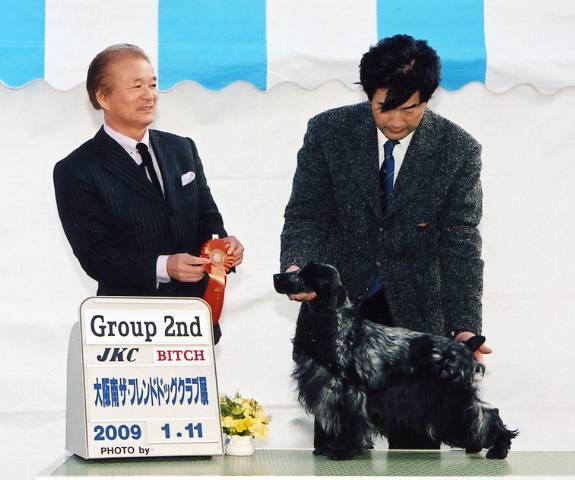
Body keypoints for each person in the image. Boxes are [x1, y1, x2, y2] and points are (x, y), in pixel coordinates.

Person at [280, 34, 490, 449]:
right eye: (383, 107)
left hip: (416, 319)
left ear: (428, 98)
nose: (395, 121)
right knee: (338, 448)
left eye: (409, 108)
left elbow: (461, 243)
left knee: (415, 455)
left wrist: (465, 327)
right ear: (367, 95)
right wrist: (297, 268)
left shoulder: (458, 149)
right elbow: (306, 212)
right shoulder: (328, 132)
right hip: (339, 315)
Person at [54, 44, 243, 343]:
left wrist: (223, 246)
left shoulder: (182, 148)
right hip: (130, 328)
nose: (149, 95)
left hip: (194, 322)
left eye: (153, 85)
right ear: (103, 97)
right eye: (136, 86)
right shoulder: (77, 168)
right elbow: (95, 256)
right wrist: (164, 267)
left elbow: (207, 217)